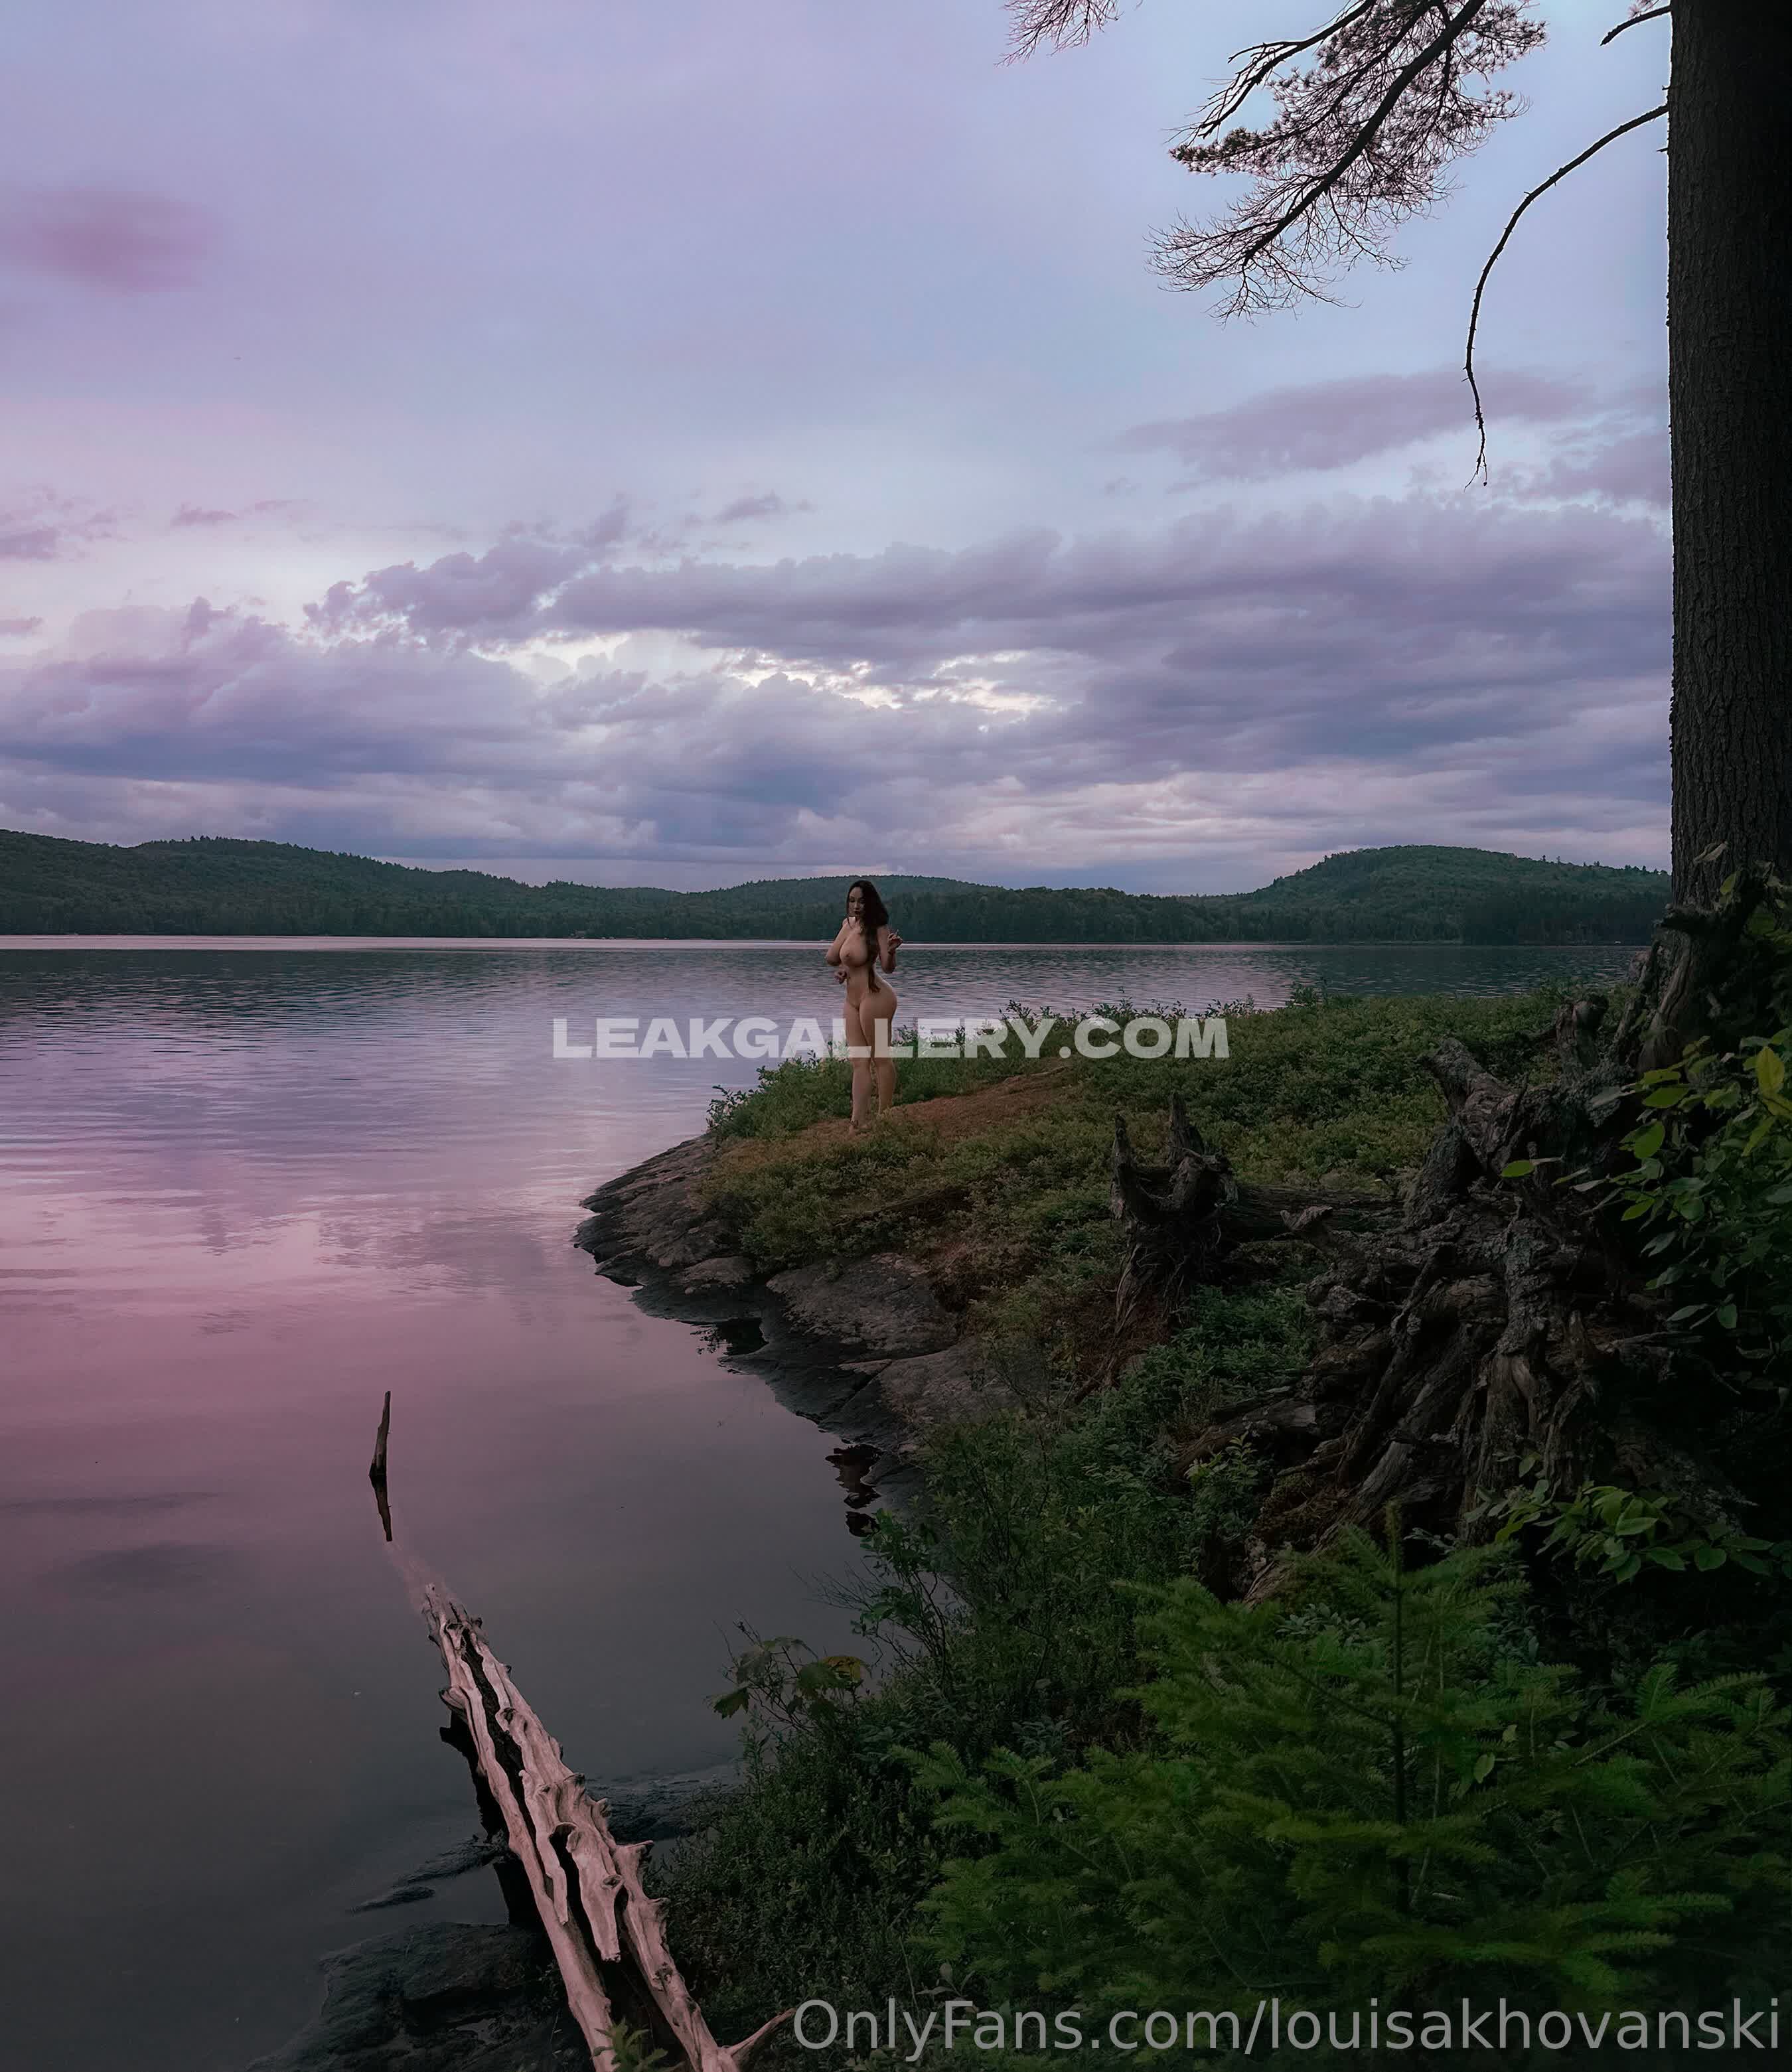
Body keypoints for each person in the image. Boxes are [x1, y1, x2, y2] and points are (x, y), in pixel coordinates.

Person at [826, 879, 903, 1132]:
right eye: (852, 901)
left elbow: (888, 968)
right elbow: (833, 957)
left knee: (880, 1058)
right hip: (852, 1000)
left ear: (870, 903)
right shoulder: (848, 925)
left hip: (876, 997)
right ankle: (856, 1124)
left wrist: (891, 951)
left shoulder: (878, 927)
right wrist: (843, 969)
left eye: (861, 901)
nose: (856, 906)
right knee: (858, 1062)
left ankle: (885, 1118)